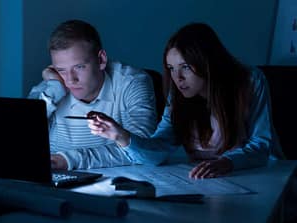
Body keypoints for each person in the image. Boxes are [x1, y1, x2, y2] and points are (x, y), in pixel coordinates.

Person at [87, 23, 285, 179]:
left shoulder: (249, 81)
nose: (177, 77)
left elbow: (261, 145)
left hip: (261, 176)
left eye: (186, 67)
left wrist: (226, 163)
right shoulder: (179, 96)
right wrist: (120, 136)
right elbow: (158, 151)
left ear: (206, 64)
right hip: (208, 181)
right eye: (171, 68)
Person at [28, 19, 157, 170]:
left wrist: (68, 160)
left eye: (79, 67)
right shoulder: (53, 86)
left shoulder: (132, 82)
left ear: (101, 60)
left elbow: (140, 148)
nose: (70, 80)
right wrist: (55, 88)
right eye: (61, 70)